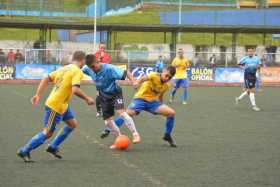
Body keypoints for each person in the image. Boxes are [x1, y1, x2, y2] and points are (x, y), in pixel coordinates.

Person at [17, 51, 95, 162]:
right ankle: (24, 150)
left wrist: (38, 95)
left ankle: (52, 147)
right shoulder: (78, 71)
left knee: (72, 124)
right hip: (55, 106)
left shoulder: (64, 68)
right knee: (48, 132)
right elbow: (76, 89)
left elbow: (46, 78)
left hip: (63, 105)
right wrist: (87, 98)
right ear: (82, 60)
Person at [101, 66, 178, 147]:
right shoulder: (154, 75)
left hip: (152, 103)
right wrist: (137, 82)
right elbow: (143, 78)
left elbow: (160, 96)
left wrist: (161, 106)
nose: (167, 78)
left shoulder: (166, 85)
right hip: (140, 99)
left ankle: (167, 135)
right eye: (166, 75)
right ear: (163, 71)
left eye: (169, 77)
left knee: (171, 113)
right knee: (127, 114)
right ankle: (109, 129)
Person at [82, 54, 140, 148]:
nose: (92, 69)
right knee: (108, 122)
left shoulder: (109, 68)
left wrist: (133, 81)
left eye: (93, 66)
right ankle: (119, 139)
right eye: (90, 67)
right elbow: (77, 69)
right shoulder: (87, 68)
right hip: (103, 96)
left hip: (115, 93)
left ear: (98, 61)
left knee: (121, 113)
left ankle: (135, 134)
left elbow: (126, 72)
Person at [94, 42, 112, 118]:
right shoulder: (95, 55)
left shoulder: (107, 55)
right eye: (101, 48)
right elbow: (94, 64)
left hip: (106, 77)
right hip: (98, 77)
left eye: (104, 48)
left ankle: (106, 109)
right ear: (99, 48)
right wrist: (100, 58)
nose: (102, 49)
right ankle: (98, 111)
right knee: (98, 94)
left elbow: (108, 65)